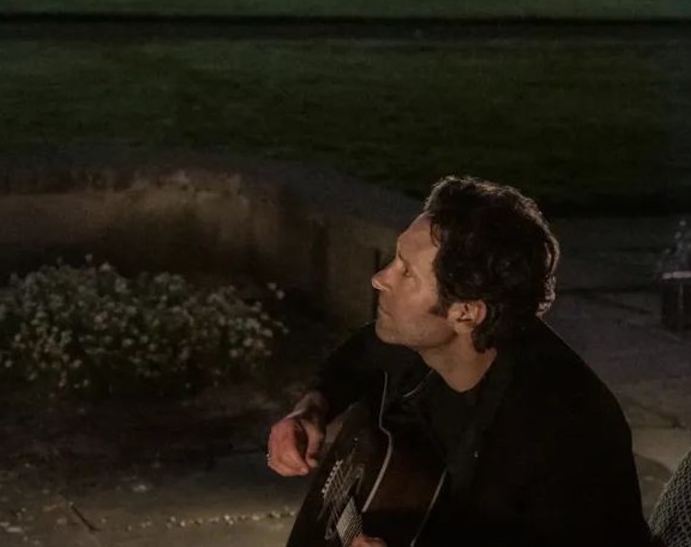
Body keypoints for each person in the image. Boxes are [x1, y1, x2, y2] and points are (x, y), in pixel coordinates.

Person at [267, 176, 652, 546]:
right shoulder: (418, 342)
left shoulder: (564, 433)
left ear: (466, 313)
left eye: (406, 273)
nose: (380, 278)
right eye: (395, 259)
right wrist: (311, 409)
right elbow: (362, 355)